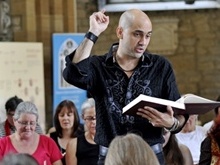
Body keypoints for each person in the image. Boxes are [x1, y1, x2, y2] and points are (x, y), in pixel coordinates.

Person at [63, 9, 188, 165]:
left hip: (150, 156)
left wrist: (171, 123)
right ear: (120, 32)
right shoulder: (98, 66)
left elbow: (181, 112)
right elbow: (72, 73)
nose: (143, 41)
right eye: (137, 34)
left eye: (148, 35)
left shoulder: (160, 66)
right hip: (111, 156)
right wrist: (93, 32)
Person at [49, 100, 84, 165]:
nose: (65, 118)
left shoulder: (84, 136)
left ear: (75, 116)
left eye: (69, 115)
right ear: (57, 118)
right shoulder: (50, 138)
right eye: (62, 115)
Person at [66, 98, 99, 165]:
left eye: (97, 117)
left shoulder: (111, 141)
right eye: (89, 118)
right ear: (83, 118)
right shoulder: (73, 144)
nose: (93, 122)